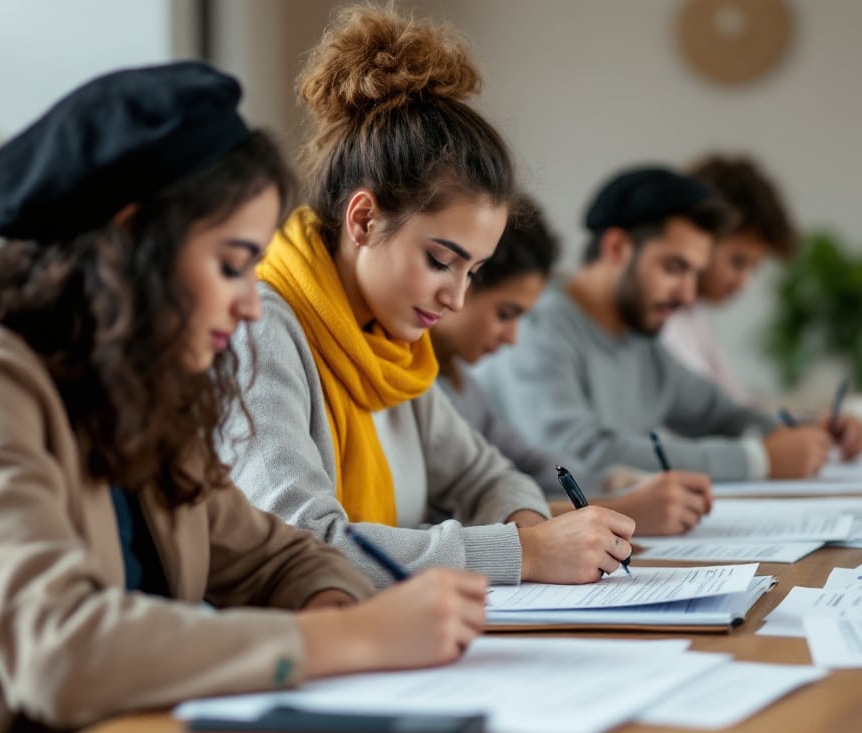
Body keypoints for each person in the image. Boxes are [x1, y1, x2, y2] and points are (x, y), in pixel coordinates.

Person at [0, 62, 487, 733]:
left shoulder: (142, 390)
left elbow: (281, 555)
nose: (251, 302)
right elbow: (61, 652)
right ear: (135, 240)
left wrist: (325, 599)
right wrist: (345, 641)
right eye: (232, 266)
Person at [220, 5, 633, 588]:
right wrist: (527, 553)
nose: (457, 299)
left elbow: (488, 477)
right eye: (441, 261)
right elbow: (302, 544)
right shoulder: (259, 329)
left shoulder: (391, 348)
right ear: (362, 219)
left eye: (474, 271)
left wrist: (529, 526)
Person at [474, 166, 862, 484]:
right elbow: (578, 454)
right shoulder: (535, 325)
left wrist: (801, 433)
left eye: (694, 274)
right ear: (616, 248)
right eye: (674, 267)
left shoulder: (640, 339)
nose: (686, 295)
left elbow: (722, 413)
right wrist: (757, 460)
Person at [432, 197, 714, 535]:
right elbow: (445, 519)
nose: (512, 338)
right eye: (505, 314)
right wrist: (621, 508)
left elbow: (522, 465)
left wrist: (611, 483)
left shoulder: (461, 380)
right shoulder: (423, 389)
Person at [660, 155, 799, 403]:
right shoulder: (662, 320)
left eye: (754, 268)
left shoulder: (695, 314)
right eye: (738, 262)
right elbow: (703, 416)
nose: (743, 283)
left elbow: (730, 405)